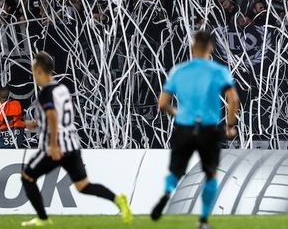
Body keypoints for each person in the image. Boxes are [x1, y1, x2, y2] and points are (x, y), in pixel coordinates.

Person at [20, 52, 132, 227]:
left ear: (40, 71)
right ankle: (119, 200)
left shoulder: (46, 94)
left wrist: (54, 145)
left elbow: (53, 117)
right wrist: (34, 124)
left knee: (27, 177)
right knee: (83, 186)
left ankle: (42, 219)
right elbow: (57, 117)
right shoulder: (62, 89)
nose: (33, 75)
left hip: (55, 147)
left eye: (34, 71)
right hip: (72, 144)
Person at [150, 30, 240, 229]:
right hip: (208, 128)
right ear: (211, 48)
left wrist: (179, 115)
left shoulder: (178, 71)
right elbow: (233, 99)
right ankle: (204, 220)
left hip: (184, 127)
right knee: (210, 174)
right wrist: (230, 125)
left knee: (175, 170)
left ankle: (166, 193)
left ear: (192, 48)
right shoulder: (218, 71)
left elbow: (163, 103)